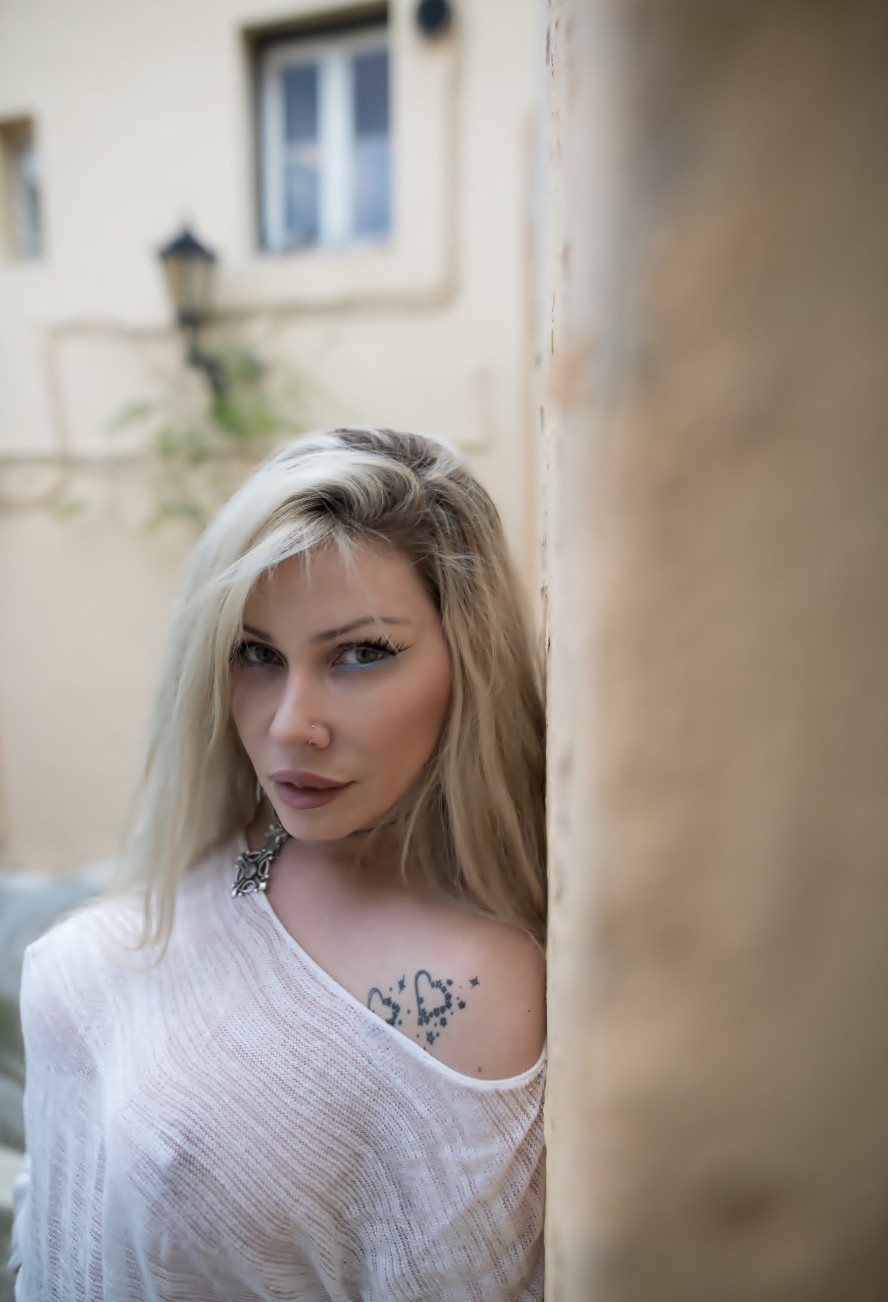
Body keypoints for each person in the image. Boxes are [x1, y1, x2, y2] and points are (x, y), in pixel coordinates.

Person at [10, 427, 548, 1301]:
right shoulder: (231, 848)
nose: (292, 724)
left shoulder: (474, 987)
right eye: (256, 654)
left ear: (469, 662)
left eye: (361, 654)